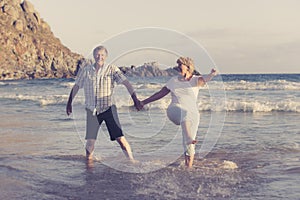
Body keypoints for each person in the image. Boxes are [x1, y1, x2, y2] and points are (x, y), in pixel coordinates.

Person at [138, 57, 218, 168]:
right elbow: (160, 94)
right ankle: (189, 137)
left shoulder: (196, 80)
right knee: (184, 116)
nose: (178, 67)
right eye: (178, 65)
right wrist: (143, 102)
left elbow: (206, 79)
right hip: (174, 109)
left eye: (181, 65)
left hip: (193, 115)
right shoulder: (173, 81)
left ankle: (188, 167)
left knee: (189, 145)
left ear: (188, 67)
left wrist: (212, 74)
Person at [66, 45, 140, 162]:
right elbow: (76, 87)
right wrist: (69, 103)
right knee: (90, 141)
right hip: (92, 110)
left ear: (106, 57)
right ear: (94, 56)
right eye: (97, 54)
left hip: (108, 109)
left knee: (120, 138)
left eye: (102, 55)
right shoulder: (86, 71)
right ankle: (89, 162)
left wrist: (135, 99)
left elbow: (126, 83)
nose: (99, 57)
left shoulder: (112, 69)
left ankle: (132, 161)